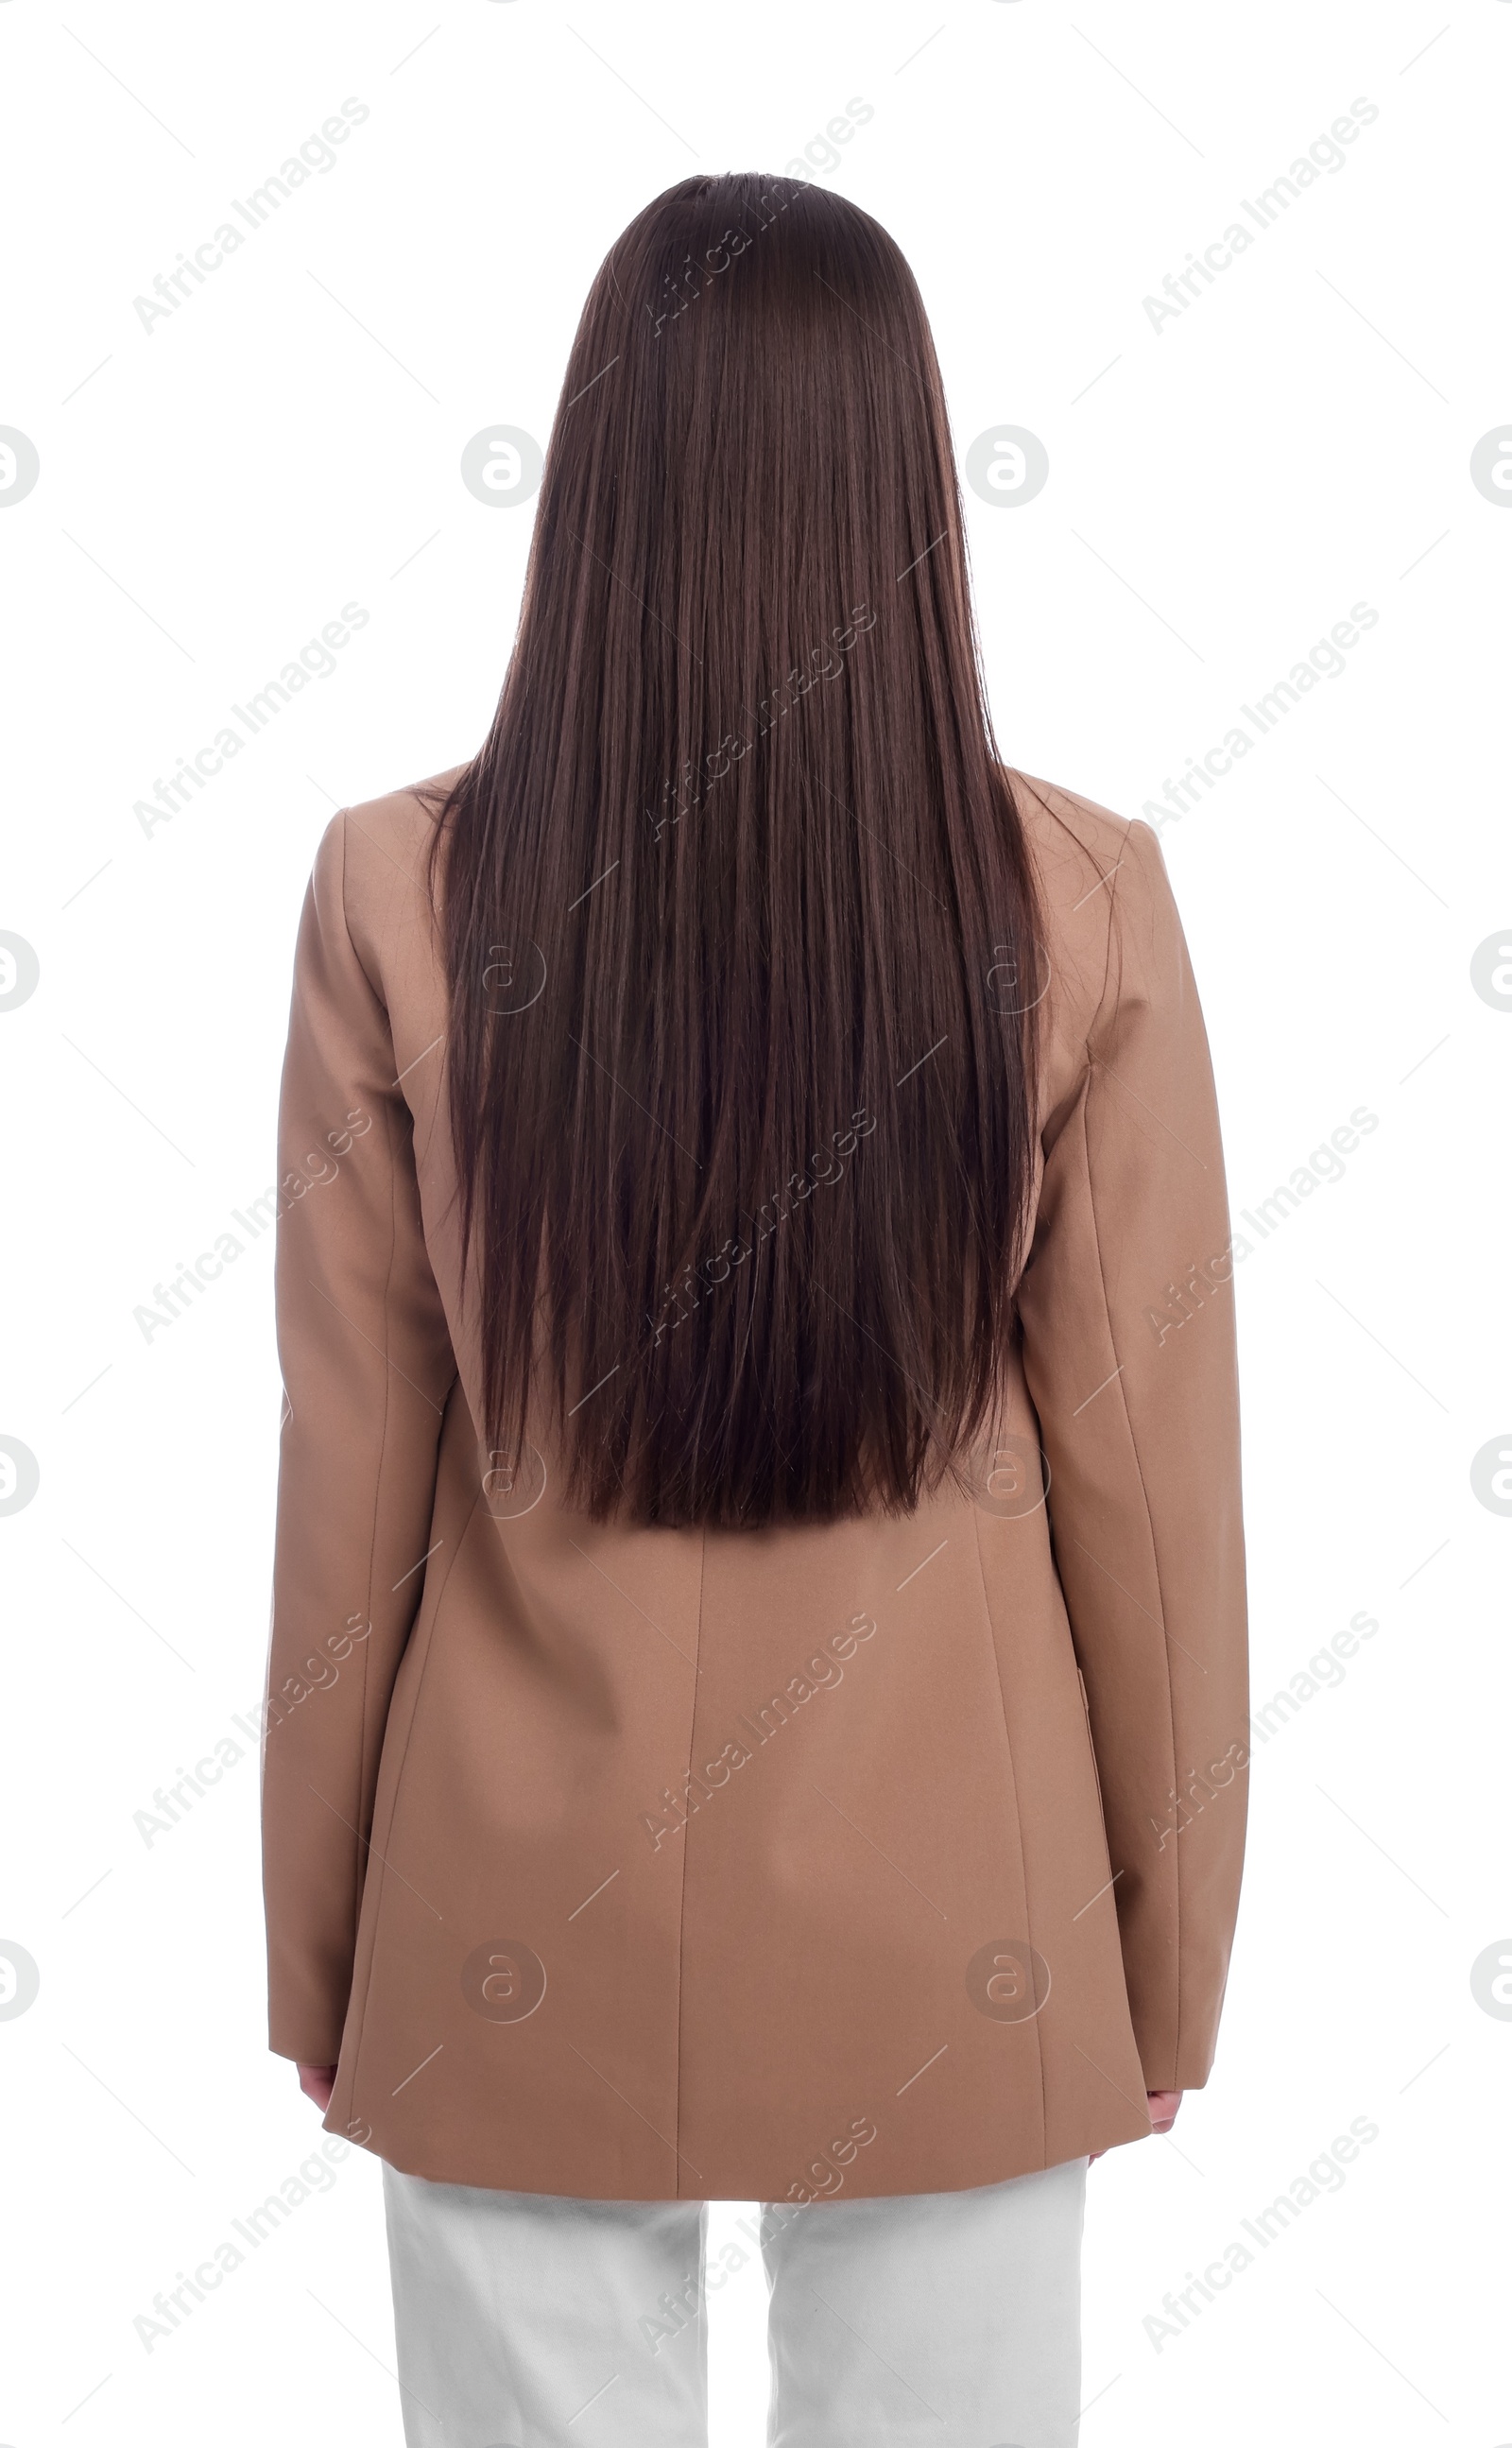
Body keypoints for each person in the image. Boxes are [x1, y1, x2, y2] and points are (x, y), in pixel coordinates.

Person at [262, 170, 1247, 2447]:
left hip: (507, 1906)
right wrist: (1153, 1953)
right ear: (907, 484)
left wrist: (328, 1941)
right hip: (957, 1925)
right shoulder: (1079, 898)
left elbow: (350, 1480)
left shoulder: (394, 890)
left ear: (591, 467)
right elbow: (1152, 1499)